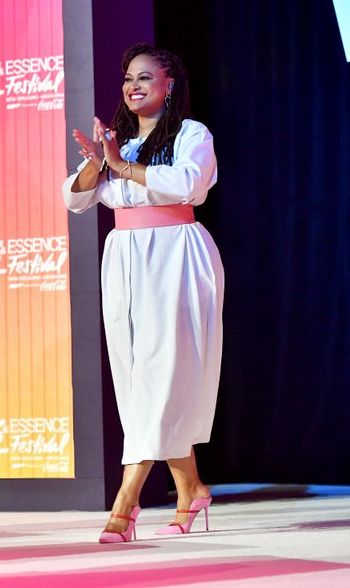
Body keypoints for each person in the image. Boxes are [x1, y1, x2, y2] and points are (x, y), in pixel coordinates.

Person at [62, 43, 224, 543]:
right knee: (138, 377)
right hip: (125, 258)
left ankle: (125, 502)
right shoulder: (121, 142)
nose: (133, 86)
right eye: (129, 78)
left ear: (169, 84)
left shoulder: (191, 134)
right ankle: (191, 488)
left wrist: (120, 165)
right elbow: (76, 199)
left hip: (176, 254)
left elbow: (188, 183)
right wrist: (99, 163)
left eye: (145, 77)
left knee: (162, 370)